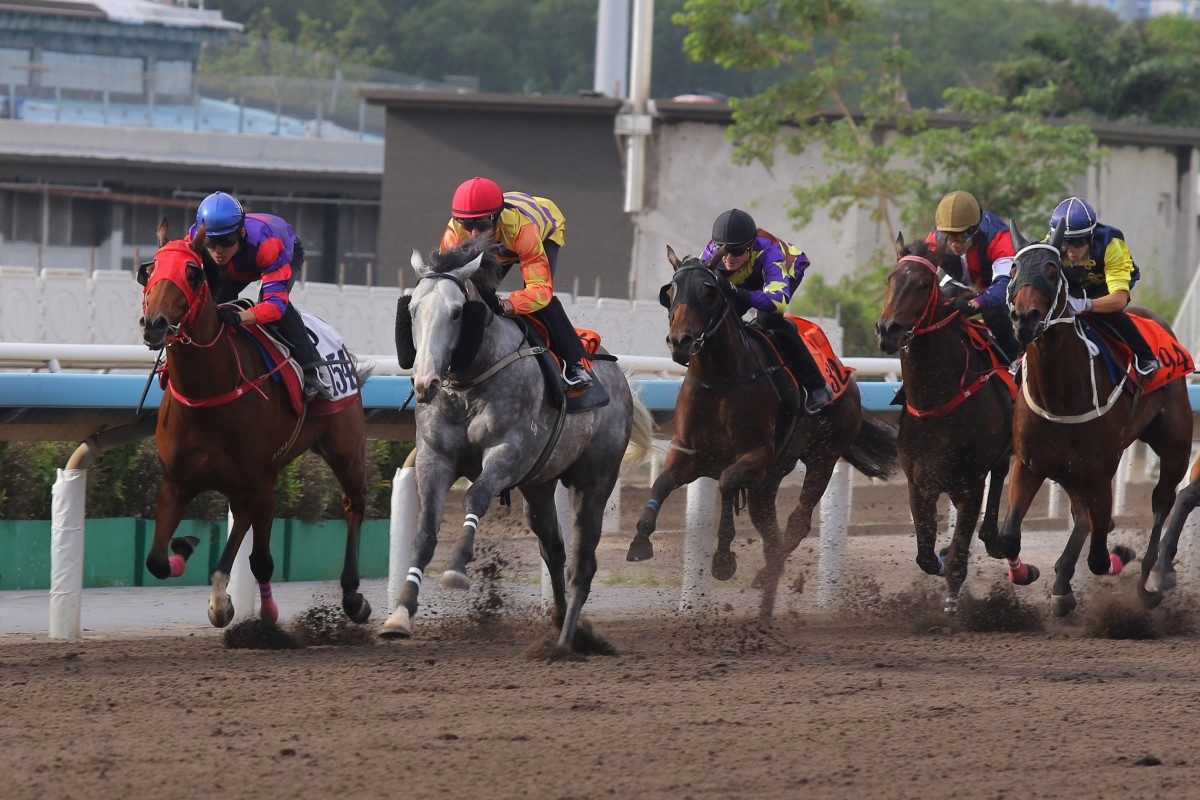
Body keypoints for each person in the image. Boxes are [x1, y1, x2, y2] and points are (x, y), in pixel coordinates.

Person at [439, 177, 592, 389]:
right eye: (467, 225)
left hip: (544, 230)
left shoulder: (522, 229)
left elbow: (541, 290)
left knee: (540, 302)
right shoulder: (454, 232)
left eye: (481, 225)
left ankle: (575, 362)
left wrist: (506, 305)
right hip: (502, 241)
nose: (473, 234)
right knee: (476, 293)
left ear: (496, 218)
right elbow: (446, 283)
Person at [187, 191, 332, 400]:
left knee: (269, 307)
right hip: (238, 263)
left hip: (280, 251)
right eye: (211, 241)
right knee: (213, 306)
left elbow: (275, 305)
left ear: (241, 234)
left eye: (227, 240)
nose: (218, 250)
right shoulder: (193, 239)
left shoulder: (268, 245)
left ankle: (313, 369)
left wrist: (239, 317)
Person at [700, 208, 832, 414]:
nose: (728, 258)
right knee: (721, 319)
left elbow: (778, 302)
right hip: (746, 274)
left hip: (784, 270)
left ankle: (816, 387)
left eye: (736, 251)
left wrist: (735, 291)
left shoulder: (770, 252)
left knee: (769, 320)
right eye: (724, 251)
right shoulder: (710, 254)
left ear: (751, 245)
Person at [1049, 196, 1158, 376]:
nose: (1069, 250)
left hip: (1103, 287)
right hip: (1073, 287)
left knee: (1110, 315)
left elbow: (1118, 300)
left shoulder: (1111, 244)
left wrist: (1084, 305)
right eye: (1064, 242)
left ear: (1091, 239)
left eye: (1077, 242)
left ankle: (1146, 357)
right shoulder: (1049, 245)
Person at [925, 190, 1020, 361]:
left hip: (999, 290)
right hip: (961, 284)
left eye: (962, 236)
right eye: (949, 237)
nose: (955, 244)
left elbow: (1005, 283)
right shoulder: (935, 238)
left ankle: (1014, 362)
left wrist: (974, 304)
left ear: (975, 229)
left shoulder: (999, 236)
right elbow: (924, 276)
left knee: (994, 312)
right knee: (939, 305)